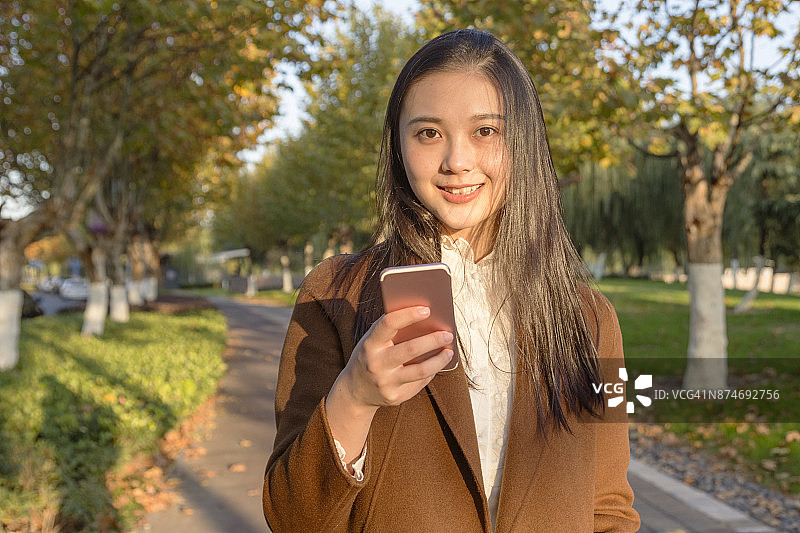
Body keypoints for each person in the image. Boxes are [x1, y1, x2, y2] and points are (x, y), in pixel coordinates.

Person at [263, 29, 640, 533]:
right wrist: (354, 396)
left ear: (523, 142)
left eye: (485, 131)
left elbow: (609, 508)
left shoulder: (593, 320)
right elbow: (292, 518)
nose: (456, 161)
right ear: (398, 146)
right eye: (428, 133)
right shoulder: (335, 295)